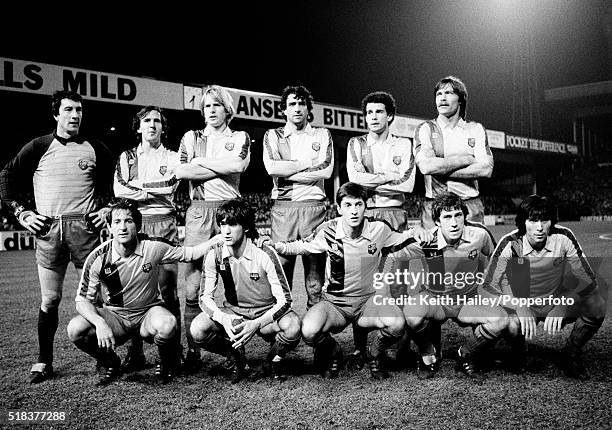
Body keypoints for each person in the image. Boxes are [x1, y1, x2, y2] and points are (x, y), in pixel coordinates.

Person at [0, 90, 114, 383]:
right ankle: (44, 360)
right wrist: (22, 213)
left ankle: (104, 359)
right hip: (49, 230)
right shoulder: (39, 146)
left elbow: (119, 183)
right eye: (68, 110)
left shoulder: (94, 147)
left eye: (78, 110)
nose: (75, 115)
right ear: (56, 114)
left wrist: (108, 208)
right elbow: (5, 178)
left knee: (95, 296)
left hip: (84, 231)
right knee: (50, 298)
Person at [273, 182, 431, 379]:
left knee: (397, 324)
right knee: (309, 330)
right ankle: (334, 352)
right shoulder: (328, 231)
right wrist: (276, 246)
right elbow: (302, 246)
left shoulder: (378, 229)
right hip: (335, 303)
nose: (354, 211)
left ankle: (374, 354)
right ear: (339, 208)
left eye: (359, 205)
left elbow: (400, 238)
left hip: (369, 301)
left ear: (366, 206)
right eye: (348, 205)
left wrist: (417, 232)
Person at [66, 198, 220, 385]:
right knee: (75, 330)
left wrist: (220, 238)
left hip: (147, 313)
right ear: (109, 226)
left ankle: (166, 363)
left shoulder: (153, 247)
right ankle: (110, 362)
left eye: (128, 221)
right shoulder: (98, 258)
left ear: (138, 225)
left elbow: (191, 254)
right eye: (117, 222)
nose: (123, 227)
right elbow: (82, 301)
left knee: (168, 323)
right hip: (117, 317)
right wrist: (100, 323)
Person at [170, 85, 251, 372]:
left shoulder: (240, 136)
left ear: (227, 109)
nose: (212, 110)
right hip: (199, 212)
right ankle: (194, 350)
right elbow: (181, 171)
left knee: (238, 283)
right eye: (207, 106)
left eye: (217, 105)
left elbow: (238, 166)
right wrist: (221, 167)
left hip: (231, 211)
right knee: (192, 284)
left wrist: (200, 162)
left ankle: (238, 344)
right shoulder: (191, 137)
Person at [480, 195, 605, 379]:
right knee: (511, 324)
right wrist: (517, 305)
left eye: (544, 220)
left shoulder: (563, 237)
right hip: (522, 302)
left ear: (551, 222)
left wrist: (564, 303)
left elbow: (589, 280)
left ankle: (571, 353)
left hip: (554, 301)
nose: (539, 227)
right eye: (532, 220)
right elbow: (487, 287)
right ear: (523, 222)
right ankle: (519, 351)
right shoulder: (510, 243)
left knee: (597, 305)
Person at [391, 193, 506, 379]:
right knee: (412, 314)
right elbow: (390, 248)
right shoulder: (426, 240)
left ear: (464, 217)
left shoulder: (480, 235)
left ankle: (466, 354)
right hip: (436, 300)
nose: (454, 223)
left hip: (468, 299)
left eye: (458, 215)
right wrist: (412, 232)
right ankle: (428, 353)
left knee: (501, 319)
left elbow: (496, 259)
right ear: (437, 221)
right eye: (447, 217)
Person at [190, 198, 300, 382]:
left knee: (293, 326)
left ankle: (272, 360)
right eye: (222, 224)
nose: (225, 231)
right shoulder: (214, 253)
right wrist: (224, 319)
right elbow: (204, 298)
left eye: (232, 224)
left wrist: (256, 323)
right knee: (198, 329)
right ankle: (235, 357)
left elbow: (285, 300)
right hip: (235, 314)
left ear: (246, 227)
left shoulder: (264, 252)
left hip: (265, 315)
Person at [346, 90, 418, 365]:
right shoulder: (356, 143)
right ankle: (358, 347)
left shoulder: (403, 145)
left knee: (397, 281)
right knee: (362, 282)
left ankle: (397, 346)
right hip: (365, 214)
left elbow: (408, 185)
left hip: (395, 214)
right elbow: (354, 182)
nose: (372, 117)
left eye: (378, 111)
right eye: (368, 112)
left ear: (389, 116)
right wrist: (389, 177)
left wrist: (371, 180)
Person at [114, 106, 182, 372]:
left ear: (163, 127)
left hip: (164, 223)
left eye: (157, 121)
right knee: (135, 292)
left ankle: (173, 352)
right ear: (138, 127)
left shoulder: (175, 156)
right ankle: (136, 352)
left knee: (168, 290)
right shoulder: (127, 156)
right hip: (135, 224)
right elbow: (119, 188)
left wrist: (139, 187)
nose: (152, 125)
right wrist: (151, 189)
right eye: (146, 120)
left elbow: (171, 186)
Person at [262, 85, 333, 310]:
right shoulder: (272, 135)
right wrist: (307, 164)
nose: (297, 108)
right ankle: (284, 334)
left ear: (308, 108)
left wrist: (289, 171)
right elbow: (272, 168)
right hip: (284, 209)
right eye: (292, 104)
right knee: (282, 278)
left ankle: (316, 336)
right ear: (283, 109)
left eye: (302, 103)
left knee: (315, 282)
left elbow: (326, 171)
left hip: (314, 209)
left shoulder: (322, 134)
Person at [414, 76, 493, 229]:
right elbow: (426, 167)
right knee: (434, 253)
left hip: (470, 205)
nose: (442, 98)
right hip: (435, 206)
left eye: (449, 93)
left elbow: (486, 169)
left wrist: (441, 168)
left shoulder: (475, 129)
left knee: (474, 252)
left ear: (461, 99)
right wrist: (467, 159)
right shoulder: (425, 128)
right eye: (439, 94)